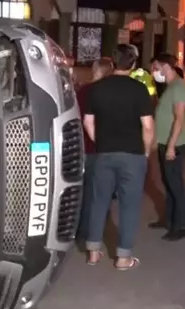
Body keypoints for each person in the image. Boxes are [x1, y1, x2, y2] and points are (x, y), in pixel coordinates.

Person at [83, 44, 154, 270]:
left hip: (104, 153)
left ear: (113, 63)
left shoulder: (97, 89)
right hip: (132, 155)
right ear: (133, 64)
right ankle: (123, 258)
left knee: (98, 202)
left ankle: (93, 252)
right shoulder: (139, 89)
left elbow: (88, 121)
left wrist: (100, 141)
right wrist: (146, 151)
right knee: (129, 206)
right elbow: (147, 125)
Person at [149, 53, 185, 241]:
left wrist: (171, 146)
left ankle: (180, 226)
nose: (153, 71)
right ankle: (168, 220)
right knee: (168, 183)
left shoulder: (179, 88)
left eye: (155, 67)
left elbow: (179, 118)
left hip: (174, 145)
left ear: (165, 66)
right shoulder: (170, 86)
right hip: (165, 142)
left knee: (176, 186)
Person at [76, 59, 113, 243]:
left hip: (87, 147)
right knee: (103, 189)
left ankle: (83, 231)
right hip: (107, 147)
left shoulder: (84, 91)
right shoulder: (110, 92)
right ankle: (99, 228)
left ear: (96, 69)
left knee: (86, 191)